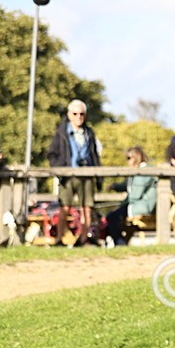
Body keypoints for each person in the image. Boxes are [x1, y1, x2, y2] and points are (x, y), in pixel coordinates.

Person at [46, 99, 101, 245]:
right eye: (75, 114)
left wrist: (98, 176)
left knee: (87, 207)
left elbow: (94, 155)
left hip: (87, 174)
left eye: (82, 114)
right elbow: (52, 154)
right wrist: (60, 168)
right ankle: (59, 238)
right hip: (68, 175)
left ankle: (84, 238)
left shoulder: (89, 133)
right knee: (65, 207)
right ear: (69, 115)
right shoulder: (61, 132)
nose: (79, 117)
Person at [104, 147, 157, 246]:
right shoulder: (138, 171)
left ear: (136, 157)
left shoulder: (143, 171)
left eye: (129, 158)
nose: (128, 161)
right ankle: (119, 242)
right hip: (138, 204)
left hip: (142, 205)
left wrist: (124, 202)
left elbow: (135, 195)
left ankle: (119, 243)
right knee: (113, 216)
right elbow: (129, 186)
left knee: (112, 217)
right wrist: (115, 187)